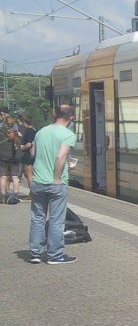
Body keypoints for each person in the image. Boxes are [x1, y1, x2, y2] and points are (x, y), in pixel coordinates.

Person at [28, 104, 78, 265]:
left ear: (55, 115)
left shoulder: (41, 132)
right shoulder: (68, 134)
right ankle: (55, 255)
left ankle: (35, 253)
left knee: (37, 218)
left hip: (37, 181)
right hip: (56, 183)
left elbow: (33, 154)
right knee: (57, 220)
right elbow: (60, 157)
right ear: (71, 118)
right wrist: (57, 177)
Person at [1, 127, 21, 203]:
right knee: (15, 177)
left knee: (3, 177)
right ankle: (15, 195)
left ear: (7, 134)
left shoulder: (3, 140)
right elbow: (20, 152)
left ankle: (3, 195)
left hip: (4, 160)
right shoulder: (17, 141)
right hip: (14, 161)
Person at [18, 115, 35, 188]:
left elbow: (29, 144)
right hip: (31, 155)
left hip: (28, 155)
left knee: (29, 175)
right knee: (27, 174)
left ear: (25, 122)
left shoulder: (29, 130)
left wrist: (22, 148)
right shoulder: (34, 130)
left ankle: (32, 193)